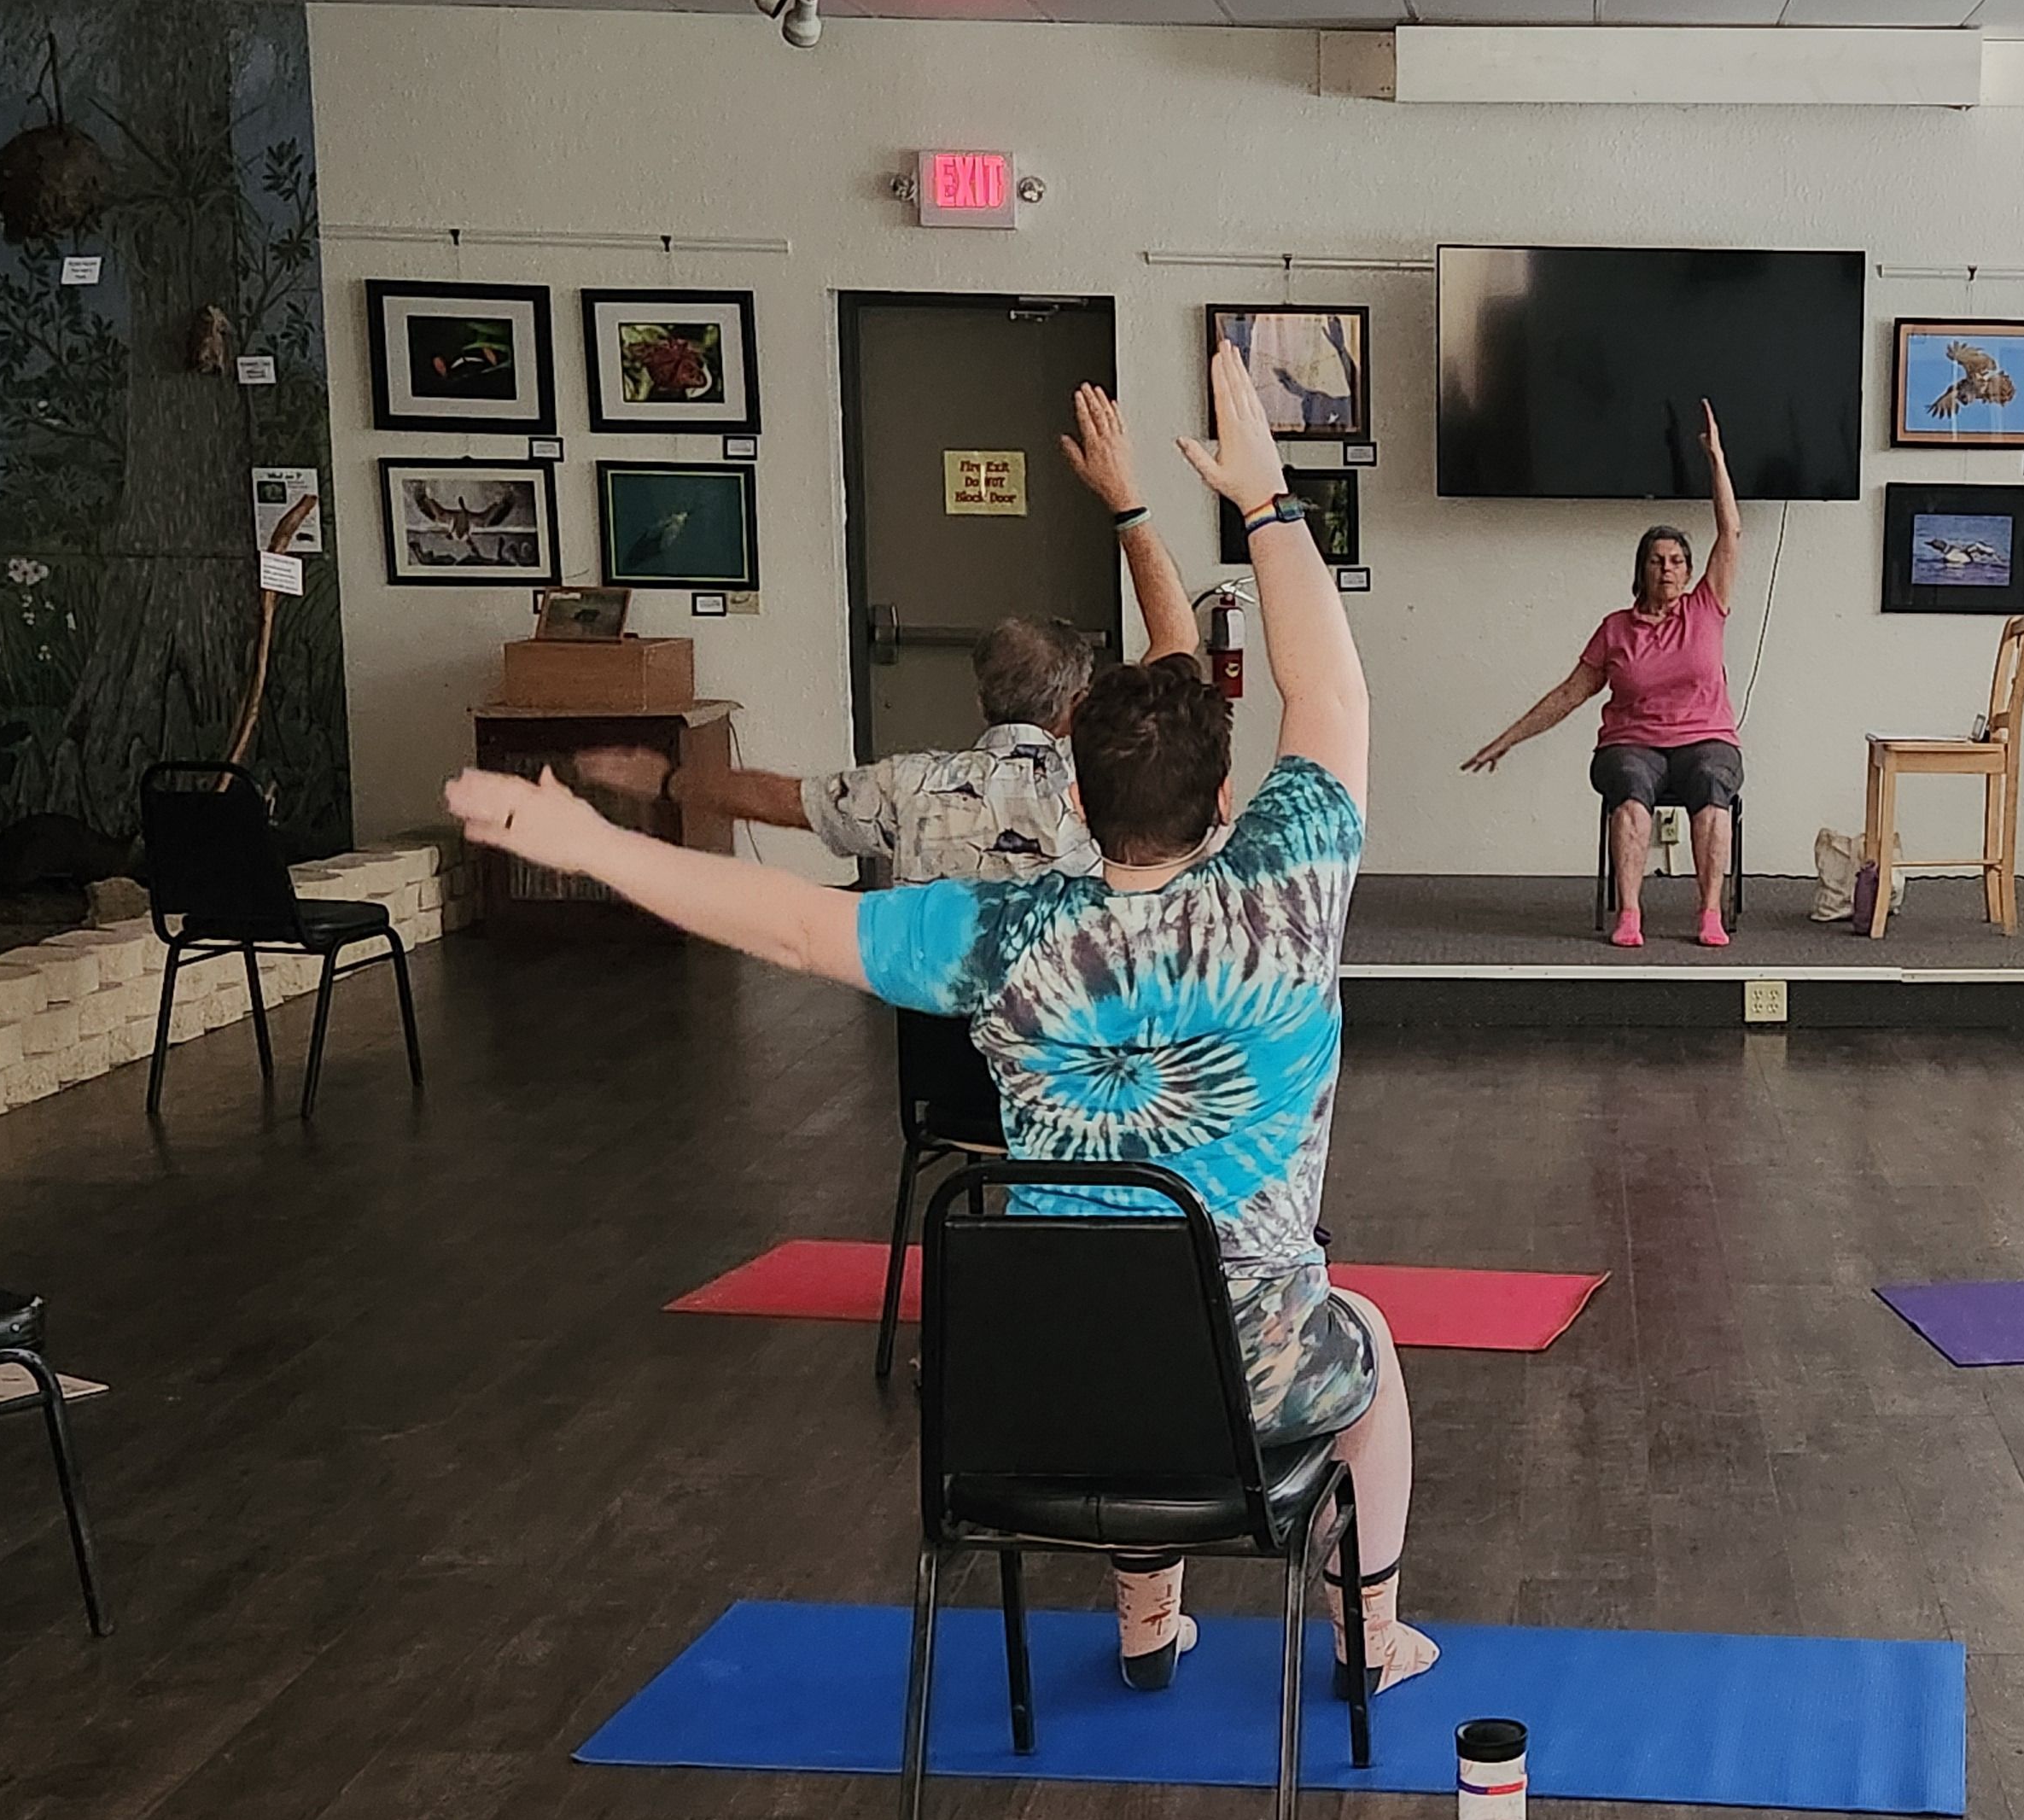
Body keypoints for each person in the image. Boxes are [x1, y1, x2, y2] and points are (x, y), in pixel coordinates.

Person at [446, 346, 1435, 1697]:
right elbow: (1334, 699)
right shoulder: (1288, 889)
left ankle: (1148, 1620)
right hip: (1246, 1376)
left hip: (1038, 1396)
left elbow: (787, 926)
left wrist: (591, 840)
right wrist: (1265, 502)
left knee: (1131, 1328)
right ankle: (1371, 1639)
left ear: (1075, 801)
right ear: (1223, 806)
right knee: (1366, 1348)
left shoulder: (1002, 933)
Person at [571, 387, 1199, 884]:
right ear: (1077, 703)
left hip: (940, 1026)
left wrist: (668, 781)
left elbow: (786, 799)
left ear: (981, 699)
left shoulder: (907, 787)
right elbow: (1175, 635)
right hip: (1068, 1020)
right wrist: (1126, 500)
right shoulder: (1104, 773)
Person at [1461, 400, 1744, 949]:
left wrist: (1716, 459)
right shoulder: (1616, 629)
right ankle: (1630, 913)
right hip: (1631, 744)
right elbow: (1570, 693)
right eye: (1658, 560)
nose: (1669, 569)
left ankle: (1709, 913)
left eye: (1678, 561)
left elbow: (1730, 534)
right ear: (1641, 569)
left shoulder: (1707, 607)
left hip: (1706, 739)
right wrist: (1508, 739)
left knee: (1713, 783)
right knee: (1631, 787)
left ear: (1690, 571)